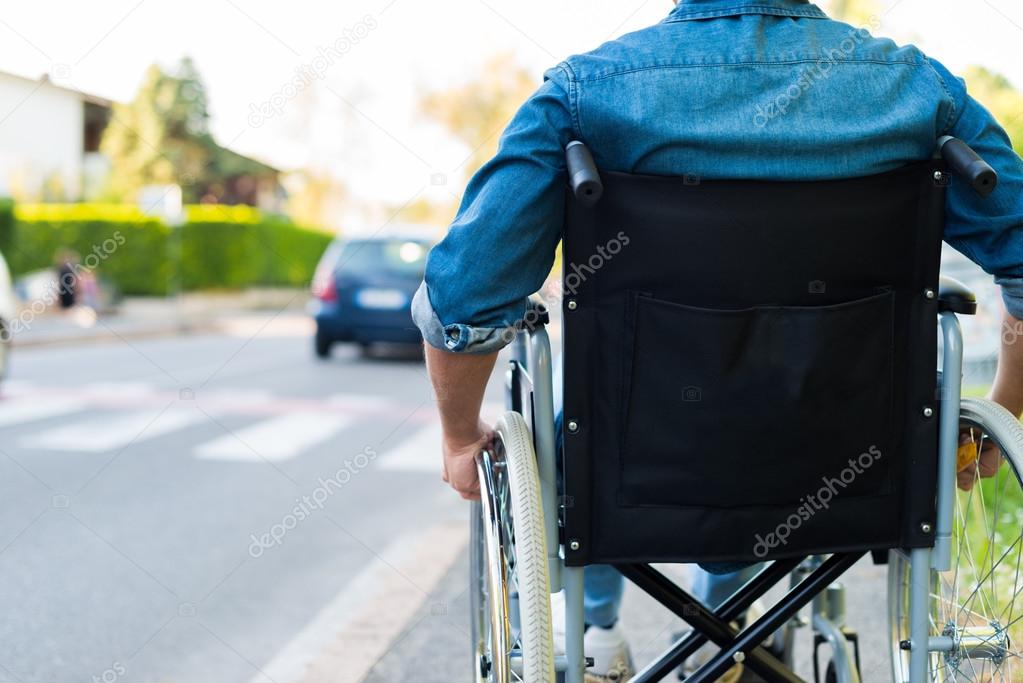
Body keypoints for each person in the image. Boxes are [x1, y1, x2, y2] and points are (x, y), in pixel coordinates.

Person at [413, 1, 1023, 679]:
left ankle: (595, 631)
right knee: (774, 397)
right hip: (857, 460)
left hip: (633, 463)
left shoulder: (585, 96)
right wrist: (1007, 407)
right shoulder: (919, 92)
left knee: (592, 415)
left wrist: (460, 433)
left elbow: (467, 293)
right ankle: (725, 620)